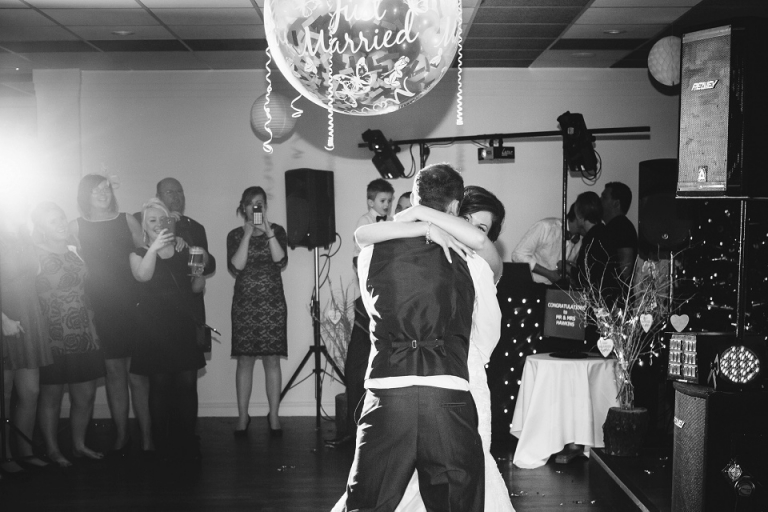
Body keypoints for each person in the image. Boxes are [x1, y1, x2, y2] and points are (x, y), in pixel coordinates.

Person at [335, 185, 513, 512]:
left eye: (481, 227)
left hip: (465, 380)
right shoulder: (410, 256)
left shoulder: (483, 263)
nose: (470, 229)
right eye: (466, 219)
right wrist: (424, 222)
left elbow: (486, 338)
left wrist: (419, 214)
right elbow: (363, 235)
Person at [71, 174, 151, 457]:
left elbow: (147, 254)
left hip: (133, 306)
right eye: (96, 190)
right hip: (100, 309)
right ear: (85, 195)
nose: (103, 193)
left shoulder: (128, 220)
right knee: (115, 373)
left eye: (106, 188)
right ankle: (121, 435)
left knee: (139, 375)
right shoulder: (75, 227)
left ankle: (147, 438)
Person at [129, 198, 207, 461]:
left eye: (162, 219)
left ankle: (187, 441)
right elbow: (143, 276)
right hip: (154, 330)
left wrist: (200, 270)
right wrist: (153, 248)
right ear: (144, 227)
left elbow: (196, 290)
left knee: (187, 385)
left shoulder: (185, 251)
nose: (157, 224)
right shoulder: (138, 254)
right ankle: (161, 444)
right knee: (159, 386)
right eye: (151, 220)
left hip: (182, 327)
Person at [32, 202, 105, 468]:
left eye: (62, 218)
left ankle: (79, 445)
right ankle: (52, 450)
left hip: (86, 332)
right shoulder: (33, 255)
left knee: (84, 395)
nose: (62, 223)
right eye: (53, 221)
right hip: (52, 338)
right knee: (51, 396)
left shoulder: (75, 250)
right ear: (40, 228)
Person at [227, 187, 288, 436]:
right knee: (245, 360)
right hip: (245, 305)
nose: (256, 207)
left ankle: (273, 414)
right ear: (243, 207)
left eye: (260, 203)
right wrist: (249, 234)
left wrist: (269, 233)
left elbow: (280, 261)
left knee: (272, 359)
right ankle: (243, 416)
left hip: (272, 303)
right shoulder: (234, 234)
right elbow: (237, 266)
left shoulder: (278, 231)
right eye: (252, 203)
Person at [0, 204, 52, 476]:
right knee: (4, 394)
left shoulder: (27, 239)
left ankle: (25, 451)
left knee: (30, 392)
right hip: (5, 319)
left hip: (29, 318)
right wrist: (3, 320)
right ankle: (3, 456)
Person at [155, 178, 216, 352]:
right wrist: (166, 222)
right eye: (170, 192)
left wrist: (202, 256)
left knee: (189, 371)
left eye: (180, 192)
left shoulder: (194, 227)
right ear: (158, 197)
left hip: (189, 305)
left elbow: (208, 266)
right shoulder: (147, 223)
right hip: (160, 307)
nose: (176, 197)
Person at [511, 204, 581, 285]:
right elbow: (518, 255)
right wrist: (549, 274)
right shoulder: (546, 227)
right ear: (579, 216)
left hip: (559, 292)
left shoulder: (581, 239)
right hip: (533, 287)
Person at [572, 191, 611, 296]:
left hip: (600, 303)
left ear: (580, 215)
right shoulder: (604, 232)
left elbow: (587, 278)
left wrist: (568, 269)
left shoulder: (592, 239)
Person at [601, 181, 638, 286]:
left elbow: (625, 270)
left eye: (604, 197)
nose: (600, 201)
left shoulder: (623, 227)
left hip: (616, 299)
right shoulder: (614, 226)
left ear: (616, 203)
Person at [352, 178, 395, 267]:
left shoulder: (392, 220)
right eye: (383, 201)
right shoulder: (365, 221)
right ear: (371, 203)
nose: (387, 205)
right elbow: (360, 245)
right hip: (365, 262)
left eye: (389, 201)